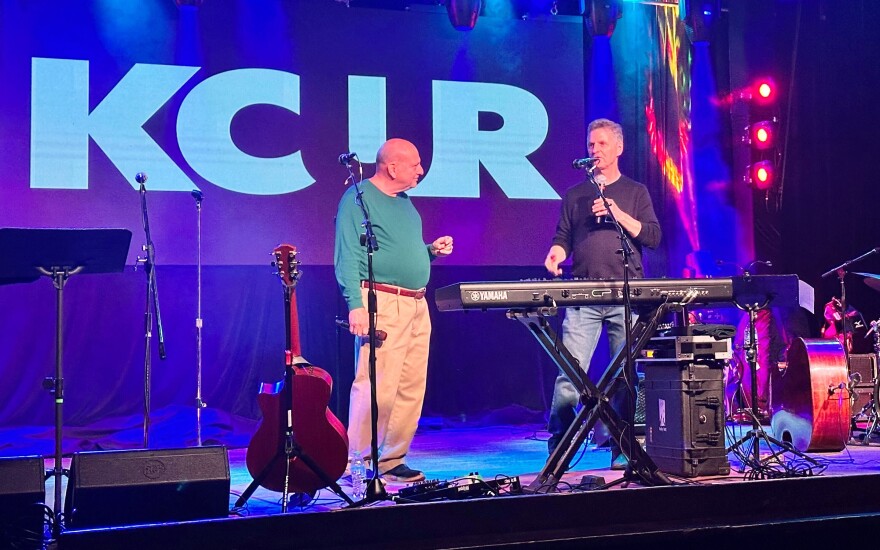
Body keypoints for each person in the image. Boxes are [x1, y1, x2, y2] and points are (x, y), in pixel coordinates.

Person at [543, 118, 661, 469]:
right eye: (591, 145)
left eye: (602, 144)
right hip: (583, 298)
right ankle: (559, 447)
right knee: (570, 374)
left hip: (624, 297)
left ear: (619, 148)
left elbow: (652, 237)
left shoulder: (635, 192)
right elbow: (563, 237)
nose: (594, 150)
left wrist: (616, 212)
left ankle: (621, 448)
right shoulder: (575, 195)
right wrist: (556, 253)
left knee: (625, 376)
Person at [334, 138, 453, 483]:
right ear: (392, 167)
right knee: (376, 385)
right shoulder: (358, 199)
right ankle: (355, 461)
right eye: (415, 164)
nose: (421, 169)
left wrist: (429, 251)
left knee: (410, 387)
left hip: (417, 303)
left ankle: (391, 460)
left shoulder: (404, 202)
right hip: (382, 302)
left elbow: (397, 250)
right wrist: (356, 305)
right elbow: (348, 255)